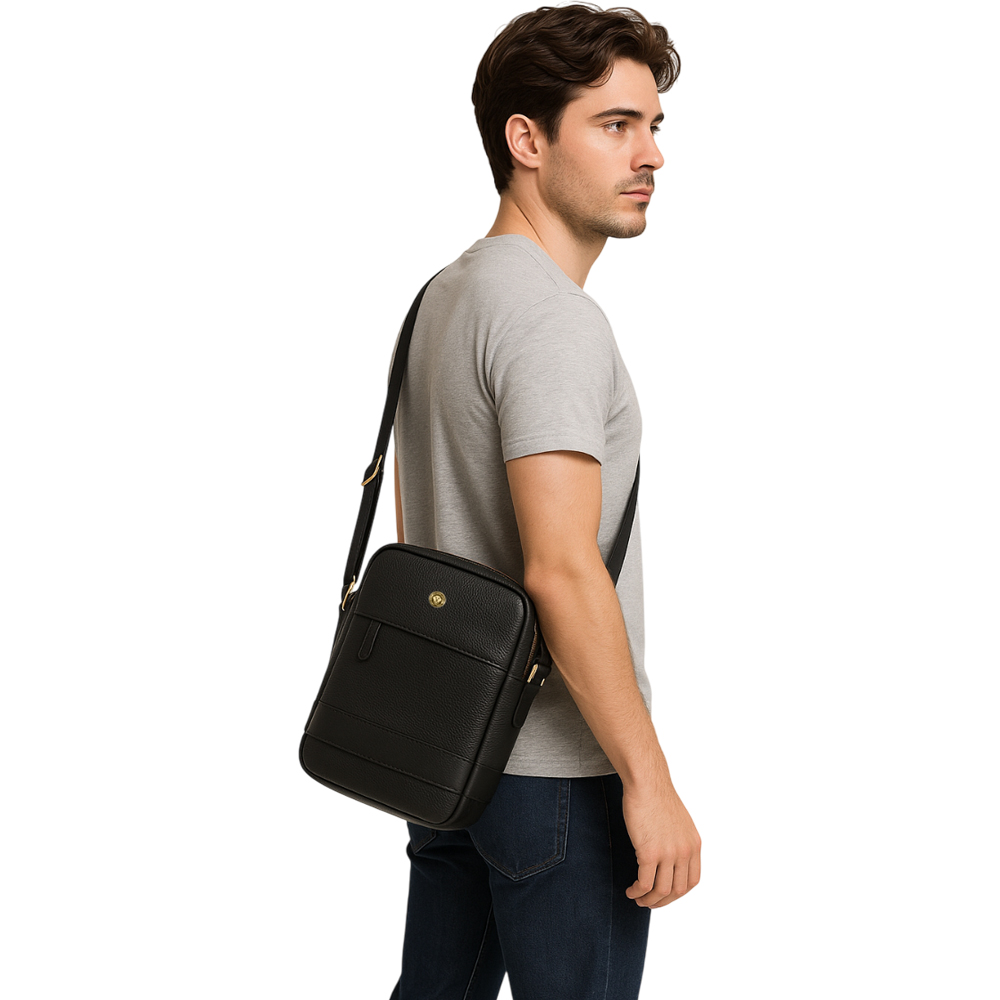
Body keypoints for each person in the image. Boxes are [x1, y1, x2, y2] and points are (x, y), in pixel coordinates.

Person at [388, 5, 700, 998]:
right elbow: (561, 569)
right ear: (526, 139)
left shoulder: (445, 297)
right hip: (557, 779)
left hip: (450, 758)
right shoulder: (551, 320)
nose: (650, 154)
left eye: (653, 126)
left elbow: (419, 533)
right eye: (615, 125)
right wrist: (648, 781)